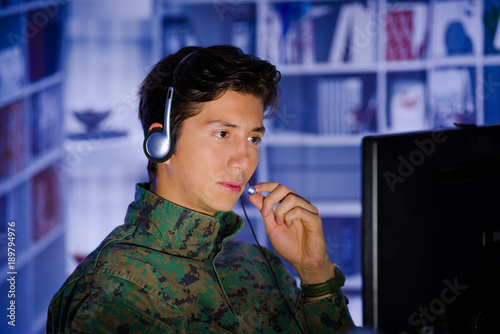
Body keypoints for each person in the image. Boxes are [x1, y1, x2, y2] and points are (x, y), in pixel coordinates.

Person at [47, 45, 357, 333]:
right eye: (223, 133)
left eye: (253, 139)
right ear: (162, 144)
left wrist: (316, 275)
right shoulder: (115, 291)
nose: (244, 162)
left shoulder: (262, 265)